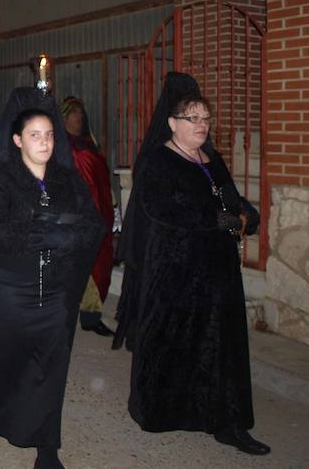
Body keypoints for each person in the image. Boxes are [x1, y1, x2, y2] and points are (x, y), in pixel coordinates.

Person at [0, 87, 104, 469]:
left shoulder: (68, 179)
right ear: (17, 140)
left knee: (52, 365)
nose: (43, 142)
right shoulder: (4, 181)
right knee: (4, 359)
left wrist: (67, 235)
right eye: (34, 135)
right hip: (12, 288)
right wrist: (32, 234)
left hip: (57, 289)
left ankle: (47, 447)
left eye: (49, 134)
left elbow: (94, 225)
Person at [112, 73, 268, 455]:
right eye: (192, 119)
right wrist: (219, 220)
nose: (201, 126)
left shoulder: (210, 159)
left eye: (205, 119)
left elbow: (230, 198)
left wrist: (247, 215)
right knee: (177, 342)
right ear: (172, 122)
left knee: (221, 346)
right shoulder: (158, 161)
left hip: (218, 271)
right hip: (176, 269)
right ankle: (165, 410)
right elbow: (163, 208)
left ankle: (227, 422)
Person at [59, 96, 116, 336]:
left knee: (100, 265)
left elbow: (100, 179)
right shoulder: (63, 147)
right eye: (73, 113)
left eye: (80, 113)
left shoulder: (88, 144)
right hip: (77, 216)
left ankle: (91, 316)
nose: (78, 117)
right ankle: (81, 317)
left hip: (100, 213)